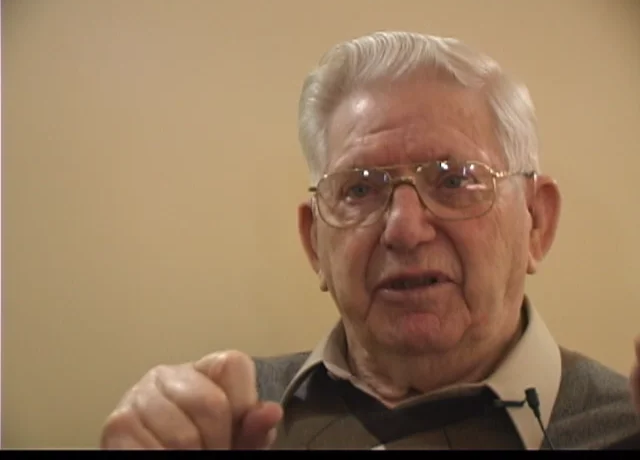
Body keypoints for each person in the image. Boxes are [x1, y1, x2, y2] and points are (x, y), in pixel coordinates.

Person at [99, 31, 640, 450]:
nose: (404, 228)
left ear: (536, 222)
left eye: (454, 180)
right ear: (316, 243)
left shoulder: (626, 428)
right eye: (360, 189)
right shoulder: (228, 425)